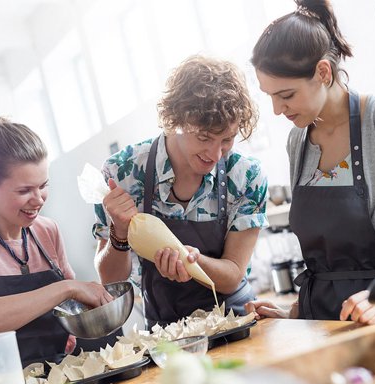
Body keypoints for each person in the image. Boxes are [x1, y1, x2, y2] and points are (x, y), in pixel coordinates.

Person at [245, 0, 375, 324]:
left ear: (323, 71)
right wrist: (296, 311)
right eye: (270, 96)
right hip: (324, 324)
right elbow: (329, 269)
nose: (278, 109)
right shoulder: (299, 140)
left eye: (286, 95)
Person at [94, 55, 269, 328]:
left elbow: (233, 273)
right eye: (204, 138)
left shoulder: (246, 176)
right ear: (175, 119)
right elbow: (111, 280)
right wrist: (119, 230)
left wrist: (192, 262)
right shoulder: (122, 173)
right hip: (167, 335)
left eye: (227, 139)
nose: (215, 154)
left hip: (235, 321)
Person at [0, 117, 112, 374]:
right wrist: (67, 287)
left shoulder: (48, 230)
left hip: (59, 376)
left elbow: (74, 309)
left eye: (43, 186)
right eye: (24, 190)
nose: (38, 200)